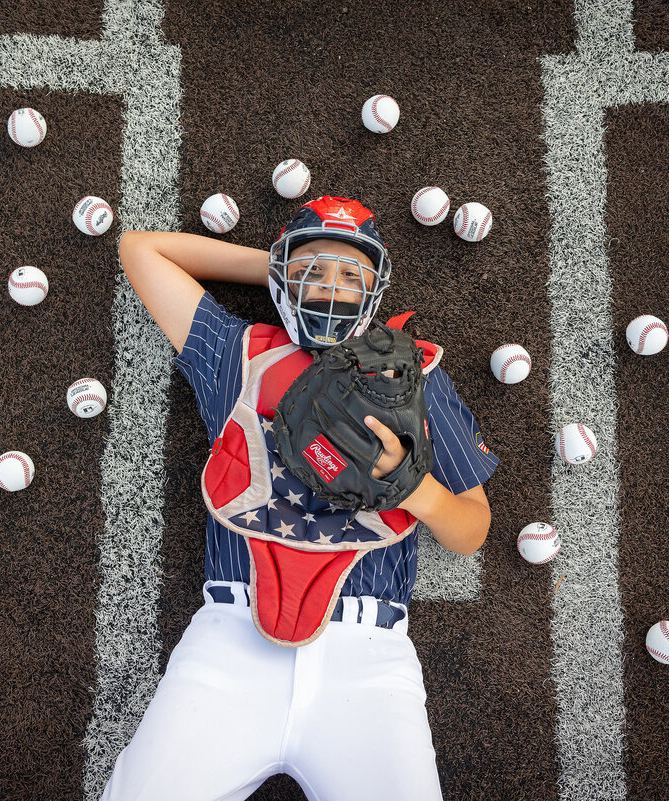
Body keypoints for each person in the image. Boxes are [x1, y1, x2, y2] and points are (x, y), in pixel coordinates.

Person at [101, 196, 498, 801]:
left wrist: (409, 486)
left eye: (350, 275)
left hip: (367, 661)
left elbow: (471, 533)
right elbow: (141, 250)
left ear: (376, 289)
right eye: (312, 269)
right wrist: (281, 267)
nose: (332, 286)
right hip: (231, 640)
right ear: (283, 277)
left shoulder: (414, 376)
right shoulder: (238, 355)